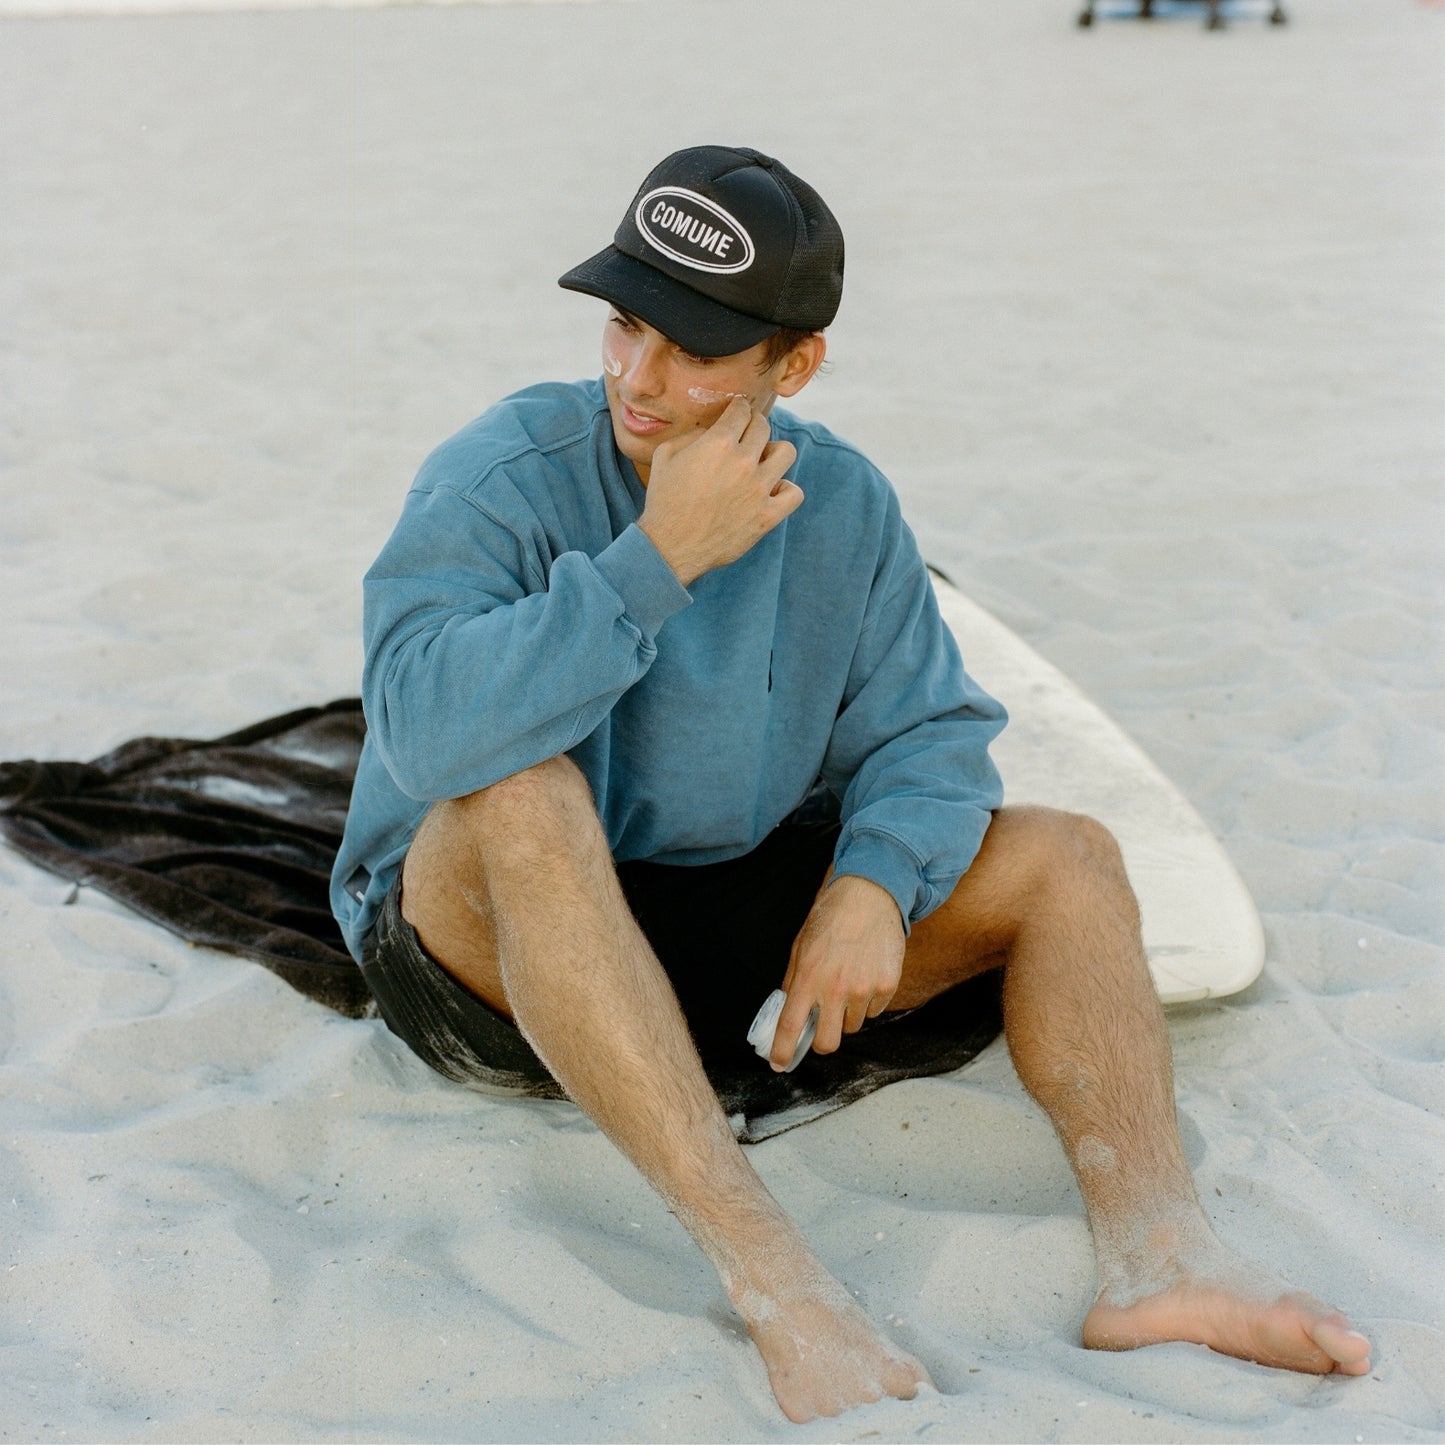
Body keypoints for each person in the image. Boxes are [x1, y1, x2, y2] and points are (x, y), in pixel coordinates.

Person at [329, 145, 1372, 1422]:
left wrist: (875, 883)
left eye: (694, 349)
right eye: (622, 324)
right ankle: (778, 1282)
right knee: (521, 792)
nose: (638, 380)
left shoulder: (843, 501)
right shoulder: (502, 473)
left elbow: (932, 729)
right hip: (479, 952)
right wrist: (653, 560)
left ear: (793, 364)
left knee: (1070, 853)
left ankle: (1161, 1260)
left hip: (716, 914)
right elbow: (424, 738)